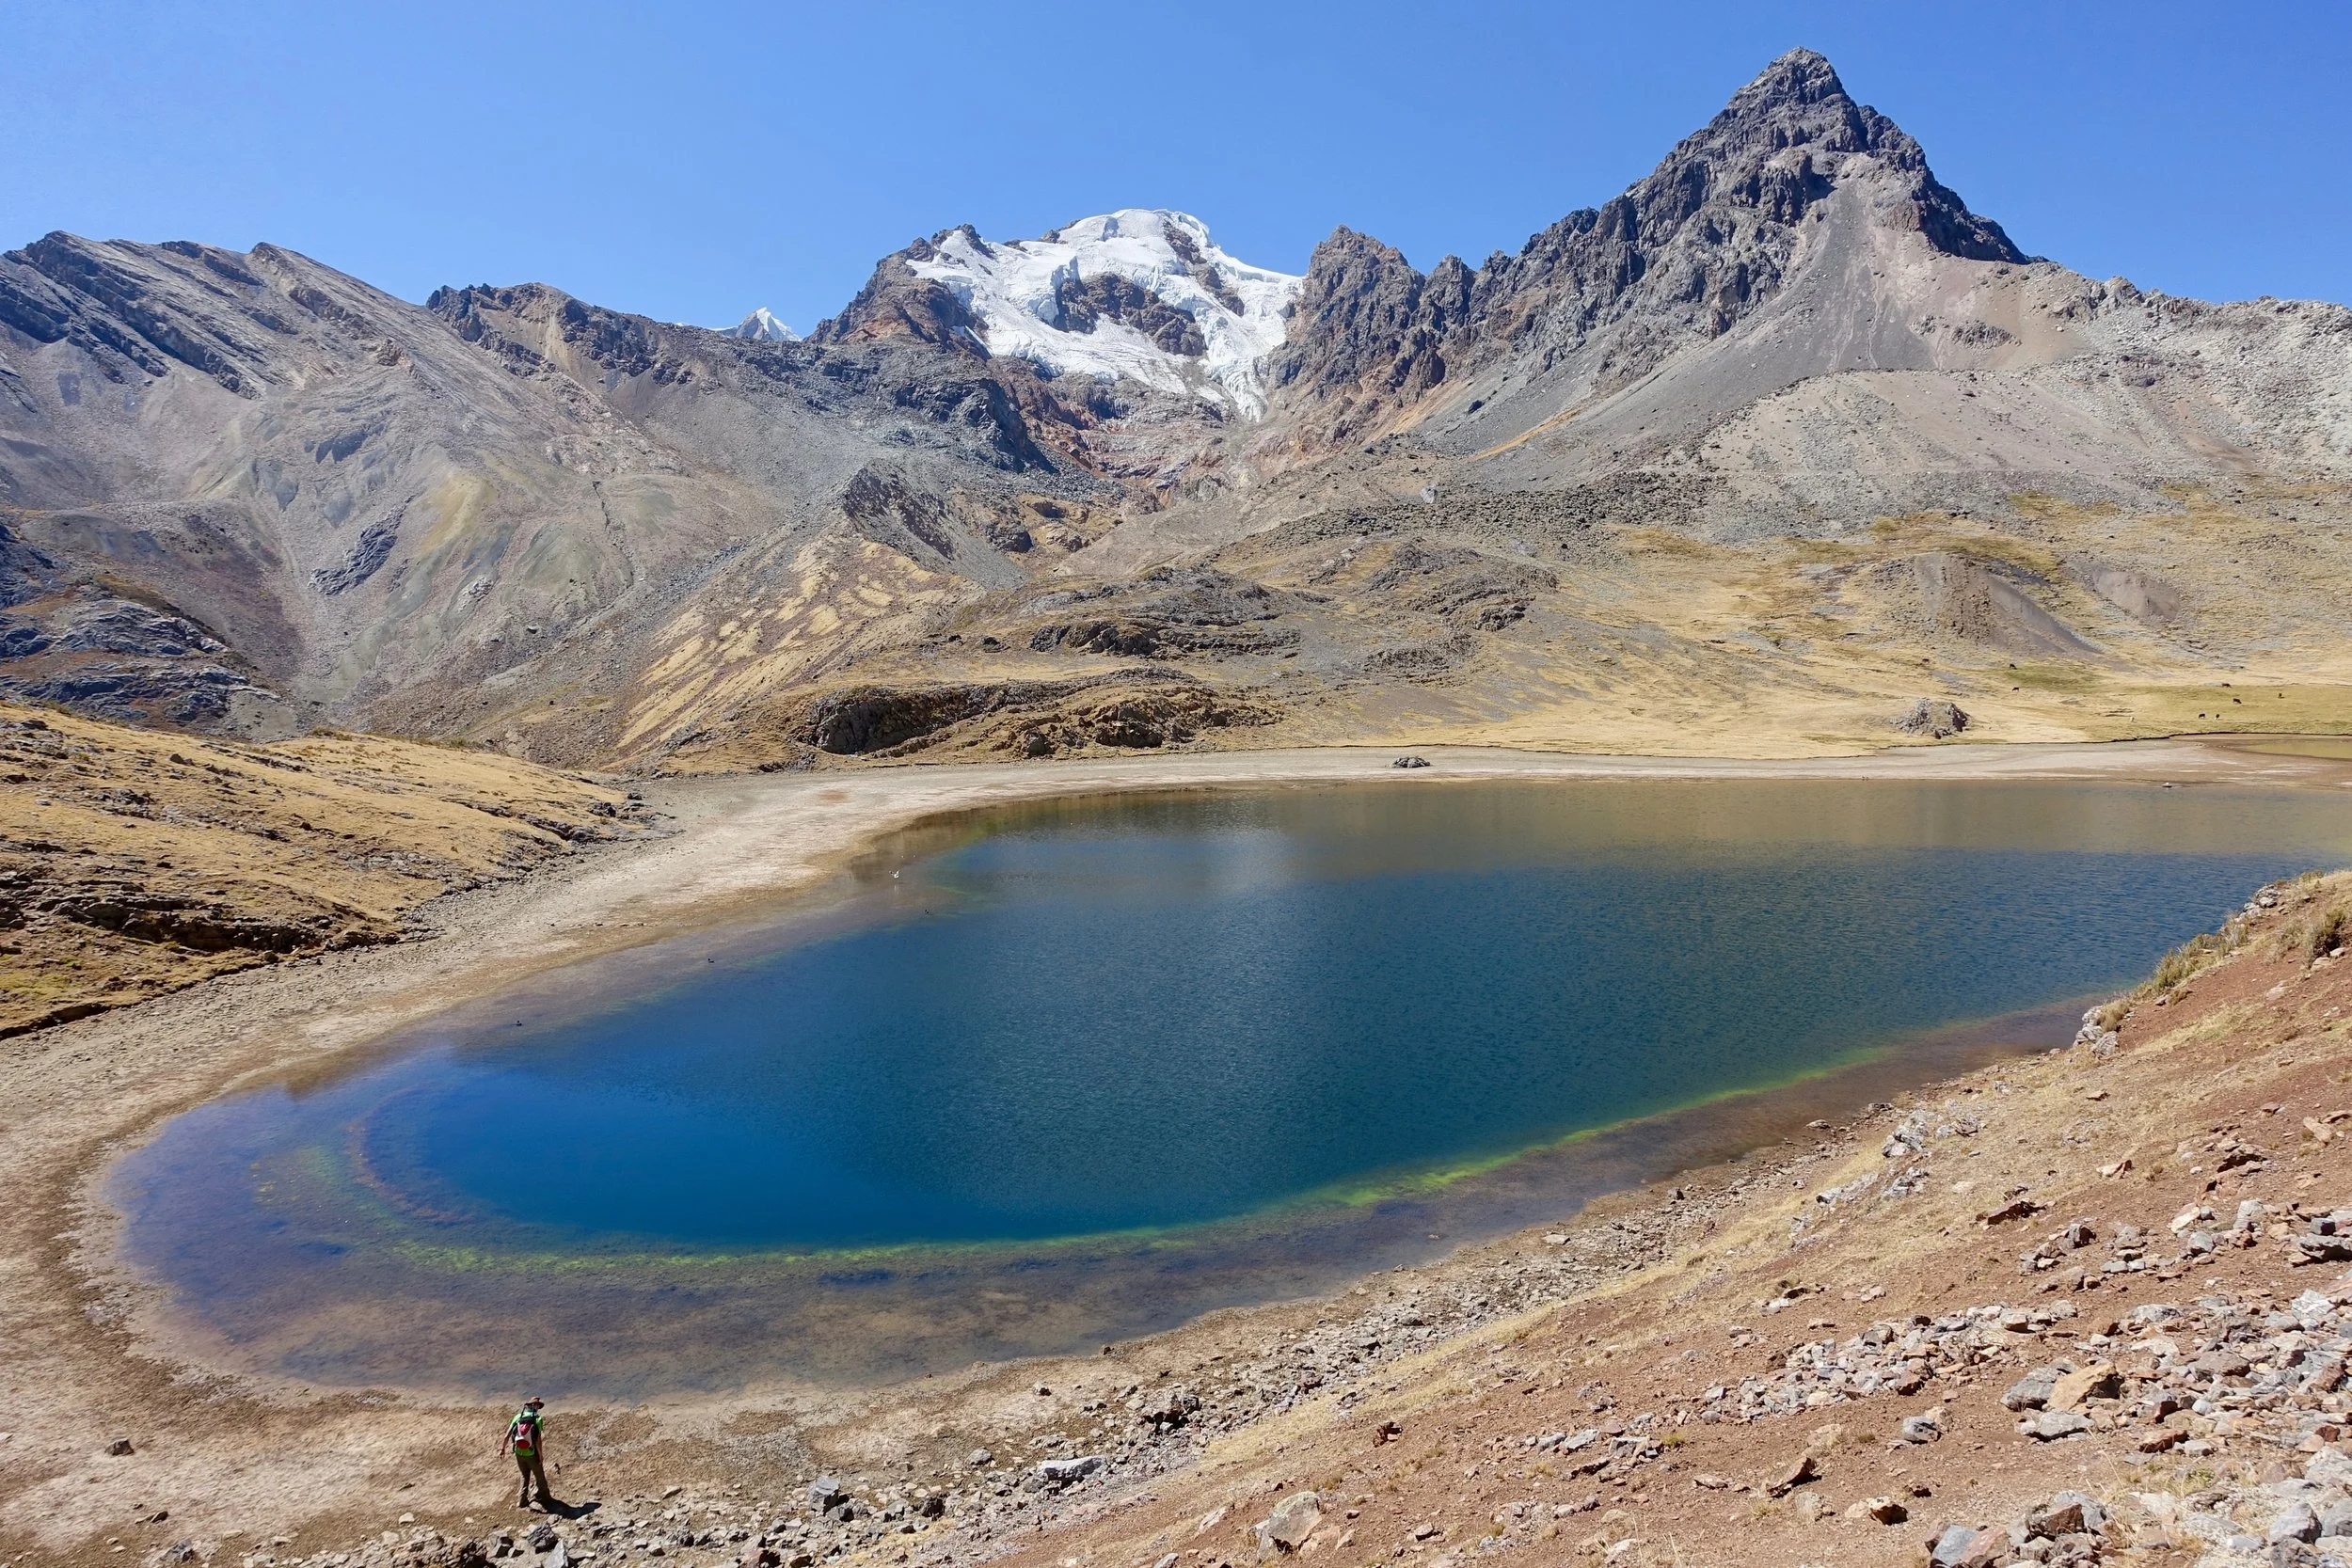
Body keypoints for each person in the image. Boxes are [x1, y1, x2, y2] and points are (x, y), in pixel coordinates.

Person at [500, 1397, 552, 1510]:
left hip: (518, 1452)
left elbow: (507, 1435)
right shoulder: (537, 1419)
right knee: (540, 1477)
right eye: (537, 1406)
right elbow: (538, 1440)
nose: (538, 1408)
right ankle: (547, 1500)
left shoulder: (518, 1417)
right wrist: (541, 1456)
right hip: (531, 1453)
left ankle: (522, 1500)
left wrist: (502, 1449)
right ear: (534, 1406)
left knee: (524, 1476)